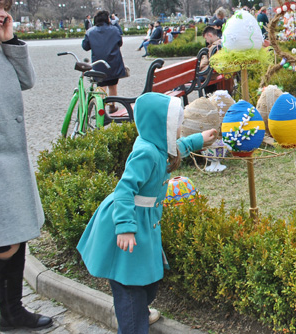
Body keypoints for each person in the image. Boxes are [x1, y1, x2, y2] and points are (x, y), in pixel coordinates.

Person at [77, 93, 217, 334]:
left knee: (148, 284)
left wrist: (197, 140)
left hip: (143, 223)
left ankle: (137, 315)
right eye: (177, 123)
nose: (180, 127)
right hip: (127, 225)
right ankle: (133, 325)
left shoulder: (157, 146)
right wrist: (125, 227)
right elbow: (124, 190)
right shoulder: (146, 153)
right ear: (160, 126)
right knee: (129, 286)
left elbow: (177, 148)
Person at [0, 0, 53, 330]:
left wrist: (10, 39)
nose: (4, 13)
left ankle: (13, 313)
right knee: (4, 245)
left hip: (10, 162)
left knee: (16, 236)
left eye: (7, 6)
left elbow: (26, 81)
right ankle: (12, 313)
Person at [82, 10, 127, 110]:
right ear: (107, 19)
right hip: (113, 63)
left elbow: (85, 46)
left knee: (101, 86)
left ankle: (100, 108)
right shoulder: (114, 30)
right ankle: (112, 106)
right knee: (113, 86)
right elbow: (120, 43)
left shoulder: (90, 32)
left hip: (99, 64)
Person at [198, 26, 223, 95]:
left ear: (210, 35)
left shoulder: (214, 47)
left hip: (210, 74)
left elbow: (205, 64)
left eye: (206, 38)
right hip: (213, 73)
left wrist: (198, 68)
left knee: (181, 84)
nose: (206, 41)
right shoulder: (221, 43)